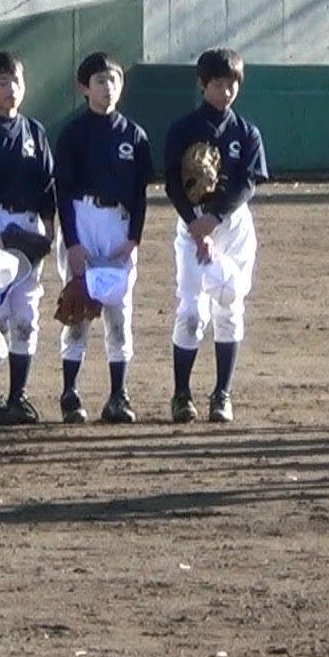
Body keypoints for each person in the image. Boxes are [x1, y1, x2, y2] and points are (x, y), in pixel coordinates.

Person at [163, 47, 269, 423]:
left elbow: (247, 185)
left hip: (233, 226)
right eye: (218, 84)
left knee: (230, 308)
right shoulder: (183, 129)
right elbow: (173, 184)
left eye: (232, 84)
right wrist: (196, 224)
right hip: (190, 226)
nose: (226, 91)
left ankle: (222, 394)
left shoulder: (246, 132)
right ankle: (181, 395)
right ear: (202, 84)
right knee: (191, 312)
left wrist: (214, 218)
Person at [53, 52, 153, 424]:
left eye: (113, 80)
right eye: (99, 81)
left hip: (119, 223)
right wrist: (73, 243)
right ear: (84, 88)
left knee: (118, 312)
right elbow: (62, 191)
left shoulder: (135, 136)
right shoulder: (73, 134)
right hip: (82, 217)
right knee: (78, 306)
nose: (107, 87)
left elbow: (141, 193)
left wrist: (134, 239)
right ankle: (70, 393)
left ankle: (118, 395)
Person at [0, 51, 57, 425]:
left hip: (29, 225)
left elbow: (48, 184)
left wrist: (49, 230)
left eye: (16, 80)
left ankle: (19, 395)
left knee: (26, 315)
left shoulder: (35, 131)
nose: (12, 89)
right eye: (2, 82)